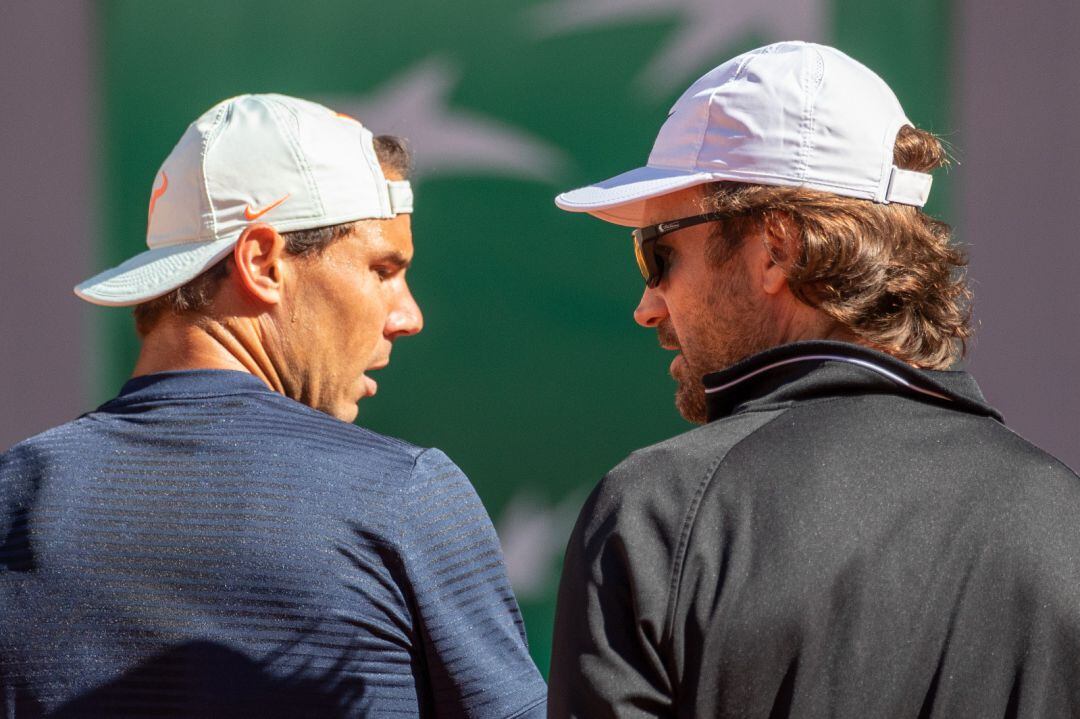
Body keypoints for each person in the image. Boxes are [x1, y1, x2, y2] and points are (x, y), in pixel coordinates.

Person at [548, 41, 1080, 717]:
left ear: (777, 249)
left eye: (659, 255)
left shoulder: (659, 515)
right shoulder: (1065, 516)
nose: (647, 304)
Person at [0, 94, 546, 718]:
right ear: (262, 263)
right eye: (382, 268)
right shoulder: (403, 496)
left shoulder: (11, 495)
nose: (407, 315)